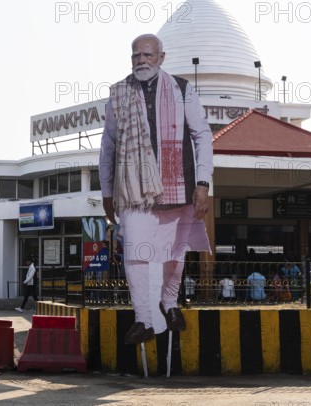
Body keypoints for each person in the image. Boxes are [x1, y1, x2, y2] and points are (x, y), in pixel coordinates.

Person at [99, 33, 213, 344]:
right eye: (136, 56)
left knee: (174, 253)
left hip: (179, 184)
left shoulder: (182, 89)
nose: (141, 61)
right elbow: (108, 146)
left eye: (148, 55)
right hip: (133, 189)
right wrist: (106, 191)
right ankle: (143, 320)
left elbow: (202, 136)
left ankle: (169, 303)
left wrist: (203, 183)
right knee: (135, 252)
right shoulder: (119, 94)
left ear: (161, 58)